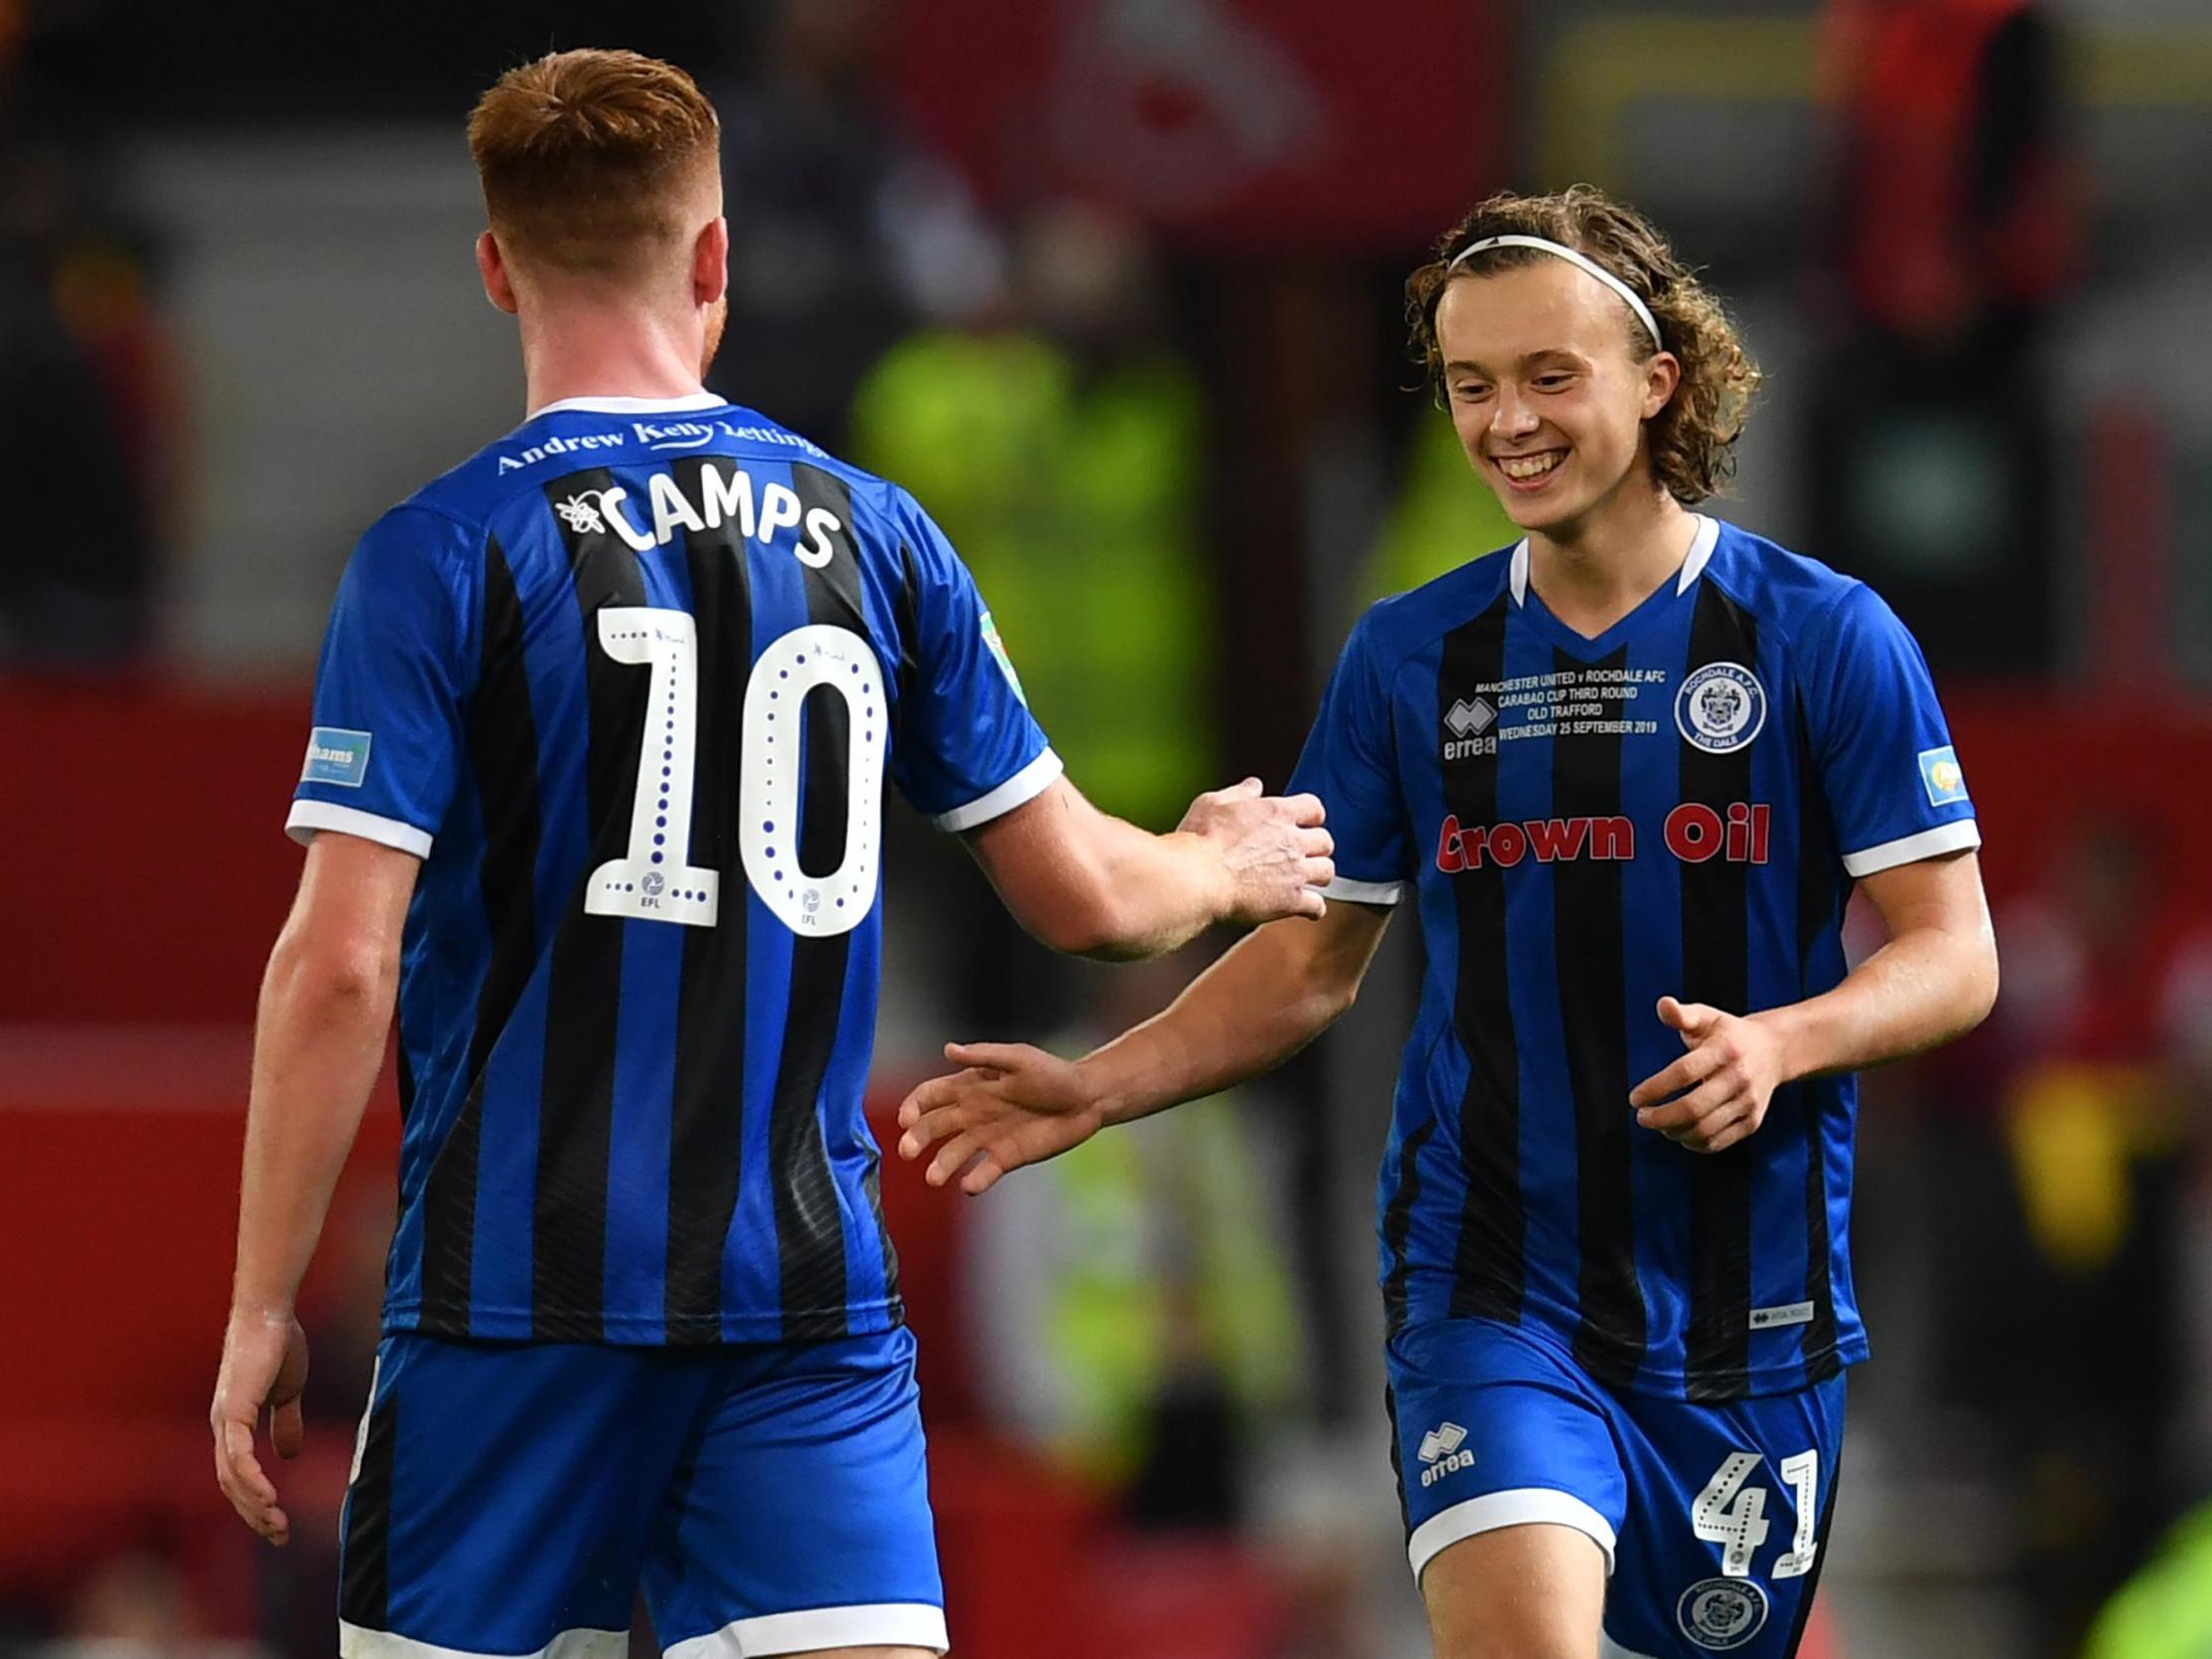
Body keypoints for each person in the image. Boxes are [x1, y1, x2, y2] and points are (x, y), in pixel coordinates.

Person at [206, 49, 1334, 1659]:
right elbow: (1090, 900)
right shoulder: (878, 535)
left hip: (510, 1315)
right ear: (715, 260)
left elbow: (340, 962)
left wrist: (263, 1303)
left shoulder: (441, 553)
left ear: (495, 269)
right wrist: (1221, 858)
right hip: (798, 1312)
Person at [899, 185, 2000, 1659]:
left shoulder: (1824, 639)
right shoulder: (1412, 657)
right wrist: (1102, 1087)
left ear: (1657, 380)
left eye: (1550, 377)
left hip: (1750, 1310)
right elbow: (1306, 968)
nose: (1507, 424)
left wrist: (1782, 1046)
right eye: (1473, 386)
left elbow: (1955, 951)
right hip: (1491, 1283)